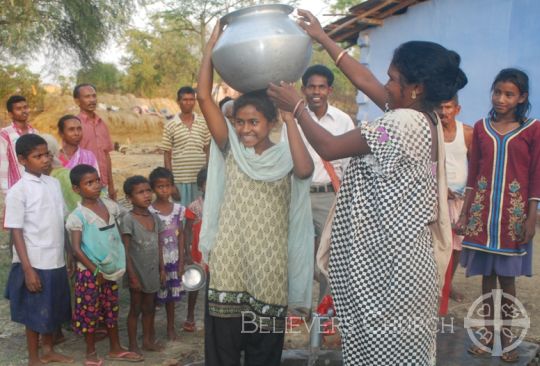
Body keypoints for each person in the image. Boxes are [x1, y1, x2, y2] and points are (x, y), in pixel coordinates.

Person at [267, 9, 466, 365]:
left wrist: (296, 108)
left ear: (415, 87)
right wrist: (324, 38)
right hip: (399, 263)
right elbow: (366, 82)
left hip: (390, 270)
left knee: (385, 353)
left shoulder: (401, 124)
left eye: (393, 79)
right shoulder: (426, 116)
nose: (386, 85)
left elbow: (329, 147)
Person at [197, 23, 314, 366]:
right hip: (231, 257)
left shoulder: (284, 154)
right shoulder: (230, 149)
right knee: (225, 346)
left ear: (270, 122)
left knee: (264, 345)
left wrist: (293, 120)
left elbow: (305, 171)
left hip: (269, 261)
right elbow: (204, 97)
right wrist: (212, 47)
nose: (245, 129)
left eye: (254, 122)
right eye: (240, 122)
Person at [456, 68, 539, 363]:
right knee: (487, 279)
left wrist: (532, 217)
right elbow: (474, 171)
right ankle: (488, 334)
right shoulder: (480, 128)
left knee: (507, 281)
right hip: (483, 215)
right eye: (497, 92)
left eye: (509, 94)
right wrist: (465, 212)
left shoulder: (532, 130)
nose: (501, 99)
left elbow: (535, 175)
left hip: (512, 218)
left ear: (522, 98)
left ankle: (509, 339)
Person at [281, 64, 355, 304]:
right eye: (311, 86)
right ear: (303, 90)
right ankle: (297, 311)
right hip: (299, 194)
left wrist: (346, 197)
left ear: (329, 90)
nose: (316, 92)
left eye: (321, 87)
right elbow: (286, 157)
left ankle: (325, 314)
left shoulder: (343, 121)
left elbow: (350, 163)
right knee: (296, 255)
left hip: (329, 196)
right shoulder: (291, 121)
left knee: (331, 258)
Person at [4, 134, 73, 365]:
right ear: (23, 160)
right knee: (34, 311)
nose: (44, 160)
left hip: (56, 258)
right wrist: (27, 269)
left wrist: (69, 254)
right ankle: (34, 357)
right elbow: (16, 231)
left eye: (47, 155)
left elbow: (61, 221)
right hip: (34, 260)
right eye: (38, 156)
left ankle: (48, 349)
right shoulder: (18, 191)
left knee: (52, 306)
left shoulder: (53, 184)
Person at [66, 164, 143, 365]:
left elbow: (124, 220)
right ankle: (90, 352)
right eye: (89, 183)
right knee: (90, 312)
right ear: (76, 189)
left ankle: (115, 347)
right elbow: (76, 248)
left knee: (111, 309)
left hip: (110, 270)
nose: (95, 186)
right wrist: (94, 270)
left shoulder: (109, 206)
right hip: (90, 273)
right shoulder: (78, 216)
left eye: (97, 180)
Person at [120, 175, 165, 354]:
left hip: (153, 271)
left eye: (148, 191)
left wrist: (162, 268)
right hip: (136, 273)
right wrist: (132, 276)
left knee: (150, 307)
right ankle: (133, 345)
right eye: (140, 192)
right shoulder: (128, 219)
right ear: (130, 198)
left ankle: (148, 340)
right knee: (135, 309)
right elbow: (126, 250)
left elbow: (159, 245)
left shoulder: (155, 218)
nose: (146, 195)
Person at [437, 95, 473, 305]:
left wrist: (468, 197)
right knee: (436, 244)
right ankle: (435, 284)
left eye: (448, 107)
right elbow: (427, 165)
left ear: (457, 109)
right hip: (434, 198)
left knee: (456, 246)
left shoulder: (467, 133)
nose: (444, 112)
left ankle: (447, 284)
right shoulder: (431, 133)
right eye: (440, 107)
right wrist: (439, 187)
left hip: (460, 200)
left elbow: (475, 167)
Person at [148, 167, 185, 341]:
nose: (164, 190)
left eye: (168, 186)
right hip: (157, 260)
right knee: (155, 297)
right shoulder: (150, 211)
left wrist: (182, 261)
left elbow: (182, 234)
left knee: (171, 298)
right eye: (160, 186)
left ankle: (171, 328)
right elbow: (153, 238)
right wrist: (160, 266)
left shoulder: (178, 209)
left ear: (172, 187)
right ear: (153, 188)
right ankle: (151, 331)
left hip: (174, 258)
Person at [160, 86, 211, 208]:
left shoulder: (203, 123)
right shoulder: (170, 125)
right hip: (179, 181)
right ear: (178, 101)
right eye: (185, 99)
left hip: (200, 181)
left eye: (191, 99)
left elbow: (208, 150)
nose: (188, 103)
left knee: (200, 215)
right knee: (180, 216)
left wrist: (208, 176)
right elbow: (167, 155)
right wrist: (171, 184)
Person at [73, 84, 116, 200]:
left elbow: (106, 156)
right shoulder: (74, 126)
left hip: (103, 185)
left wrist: (111, 185)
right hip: (85, 188)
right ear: (77, 100)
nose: (92, 100)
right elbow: (70, 158)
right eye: (87, 97)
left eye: (94, 96)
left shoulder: (102, 124)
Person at [183, 166, 207, 332]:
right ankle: (190, 316)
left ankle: (211, 317)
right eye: (207, 183)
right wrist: (187, 252)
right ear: (200, 186)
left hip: (216, 253)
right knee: (194, 285)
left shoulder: (224, 203)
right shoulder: (194, 206)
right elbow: (187, 230)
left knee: (214, 286)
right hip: (197, 253)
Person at [0, 95, 38, 197]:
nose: (24, 111)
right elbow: (2, 164)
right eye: (18, 109)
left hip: (35, 186)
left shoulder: (35, 133)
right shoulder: (5, 134)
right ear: (10, 114)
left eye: (25, 107)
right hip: (15, 187)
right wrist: (6, 192)